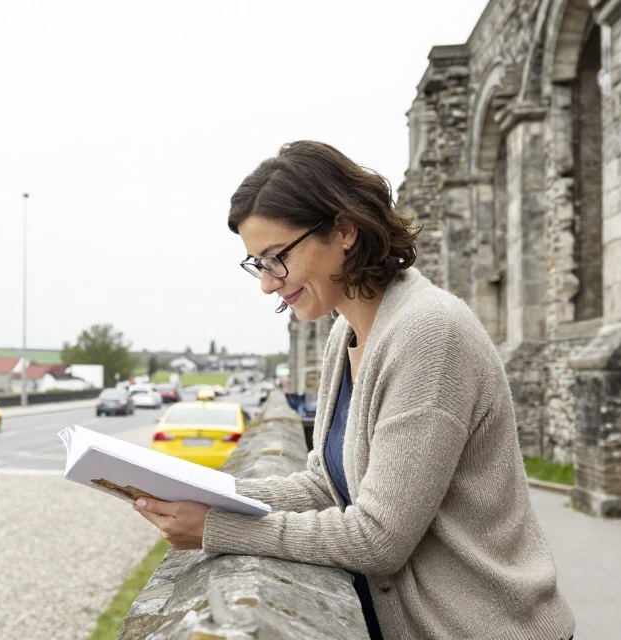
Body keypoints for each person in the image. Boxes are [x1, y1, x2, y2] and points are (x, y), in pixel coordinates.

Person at [133, 141, 574, 639]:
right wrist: (206, 492)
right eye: (257, 263)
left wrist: (215, 529)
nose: (266, 284)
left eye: (275, 258)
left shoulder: (430, 333)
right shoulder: (346, 332)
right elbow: (325, 486)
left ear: (343, 230)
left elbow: (379, 538)